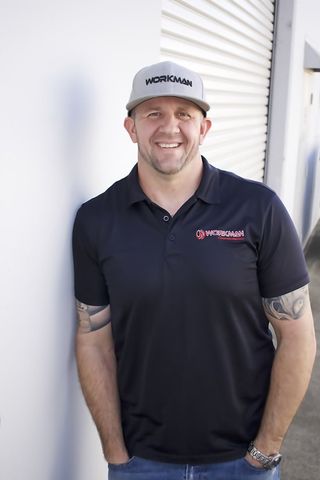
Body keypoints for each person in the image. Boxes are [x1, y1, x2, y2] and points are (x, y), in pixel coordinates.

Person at [72, 61, 316, 480]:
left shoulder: (259, 209)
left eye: (184, 114)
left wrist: (265, 450)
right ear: (131, 128)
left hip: (241, 461)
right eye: (153, 114)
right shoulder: (97, 219)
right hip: (141, 463)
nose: (170, 128)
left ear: (204, 128)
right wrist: (116, 454)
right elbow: (93, 338)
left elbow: (297, 336)